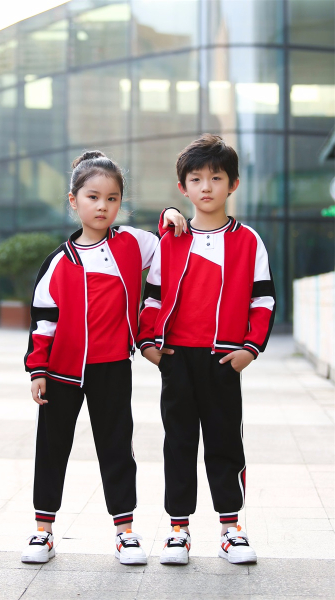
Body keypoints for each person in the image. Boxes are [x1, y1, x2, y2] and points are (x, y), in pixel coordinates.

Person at [21, 151, 186, 565]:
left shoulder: (131, 242)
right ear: (73, 200)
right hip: (61, 371)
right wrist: (37, 370)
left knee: (116, 448)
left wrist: (169, 214)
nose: (102, 206)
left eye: (112, 198)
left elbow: (170, 245)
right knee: (52, 448)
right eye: (93, 197)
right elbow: (43, 322)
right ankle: (43, 531)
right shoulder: (58, 262)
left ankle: (125, 532)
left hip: (112, 366)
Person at [138, 134, 276, 565]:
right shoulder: (171, 239)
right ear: (183, 188)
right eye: (196, 179)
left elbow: (263, 300)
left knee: (225, 443)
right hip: (177, 358)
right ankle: (177, 531)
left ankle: (231, 529)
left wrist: (250, 350)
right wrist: (148, 344)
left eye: (216, 178)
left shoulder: (248, 240)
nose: (206, 187)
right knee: (178, 443)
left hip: (223, 358)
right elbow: (152, 297)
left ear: (233, 184)